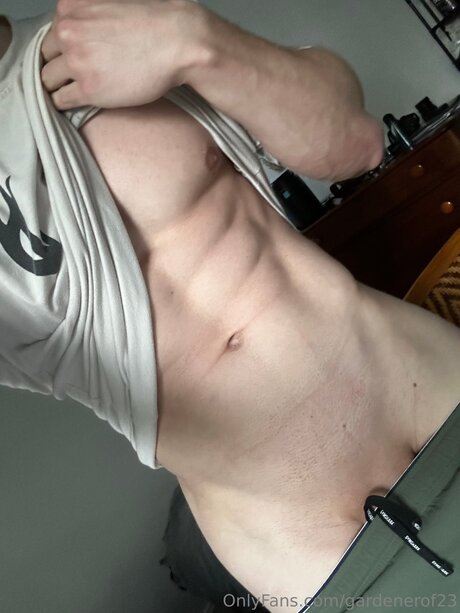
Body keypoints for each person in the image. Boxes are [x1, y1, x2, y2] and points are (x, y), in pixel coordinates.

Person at [1, 2, 460, 611]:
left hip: (431, 391)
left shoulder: (102, 29)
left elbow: (357, 144)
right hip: (304, 544)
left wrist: (198, 41)